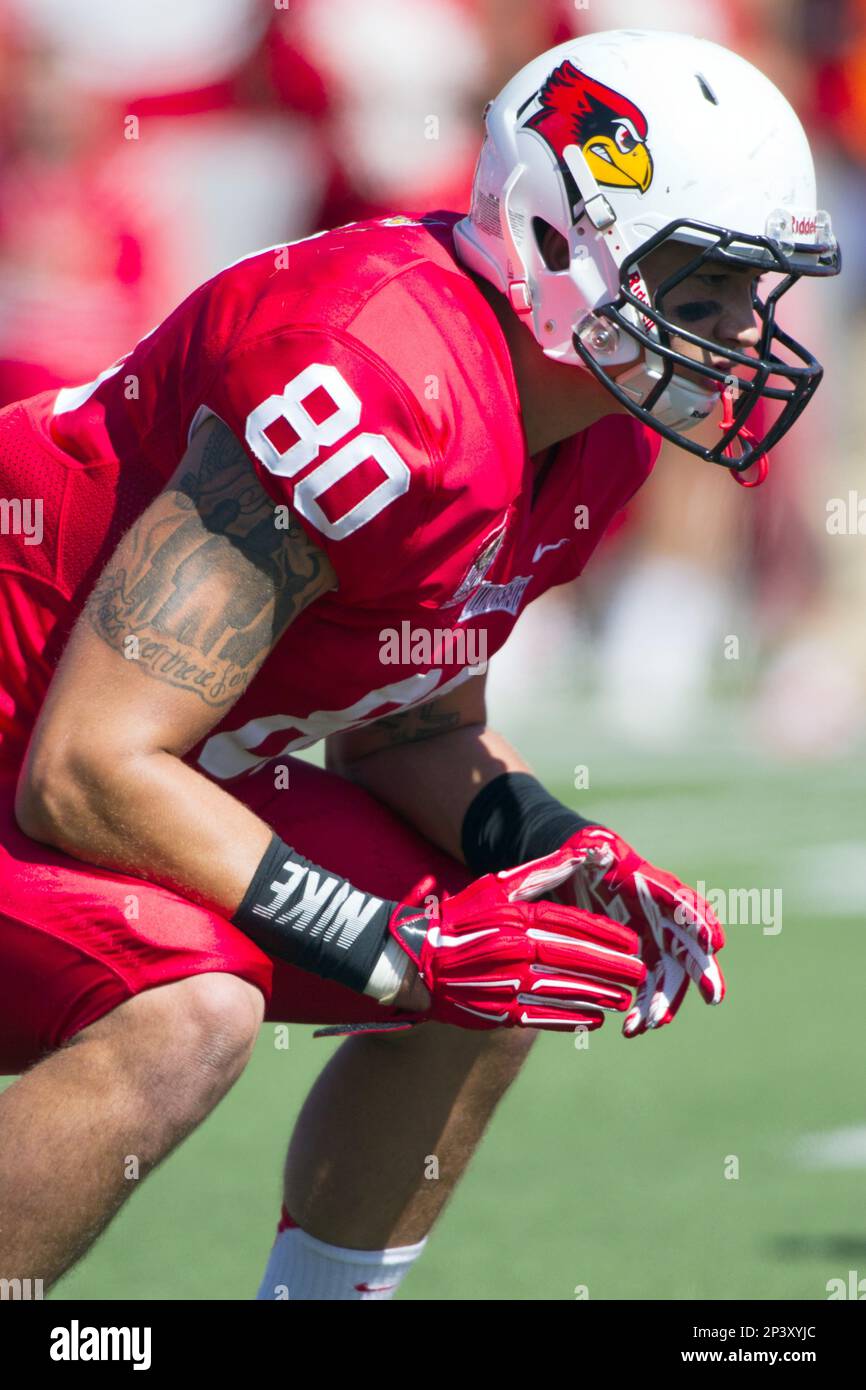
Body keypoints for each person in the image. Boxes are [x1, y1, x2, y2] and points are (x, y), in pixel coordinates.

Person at [0, 28, 838, 1299]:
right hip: (55, 741)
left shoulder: (583, 425)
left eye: (746, 296)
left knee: (524, 936)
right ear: (560, 240)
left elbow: (404, 723)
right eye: (701, 291)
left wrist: (562, 846)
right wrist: (396, 946)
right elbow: (84, 769)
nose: (737, 336)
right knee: (188, 1006)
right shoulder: (371, 377)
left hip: (96, 742)